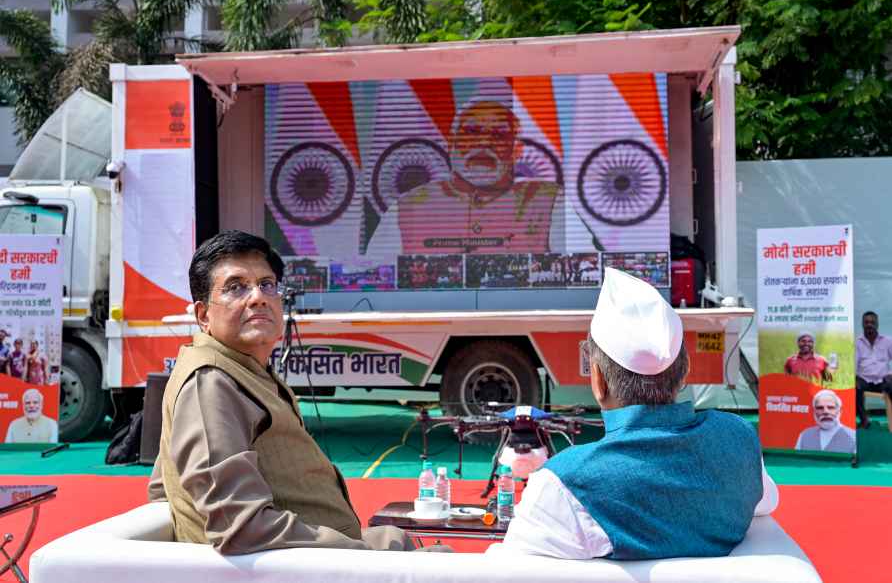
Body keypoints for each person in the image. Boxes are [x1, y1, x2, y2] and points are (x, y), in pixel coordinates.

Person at [149, 230, 432, 555]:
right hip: (305, 567)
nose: (258, 297)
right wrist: (359, 550)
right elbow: (241, 527)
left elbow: (163, 484)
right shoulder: (210, 383)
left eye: (267, 284)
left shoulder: (244, 370)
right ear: (203, 316)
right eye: (235, 287)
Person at [487, 268, 778, 560]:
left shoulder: (561, 484)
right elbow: (766, 502)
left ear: (598, 380)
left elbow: (508, 571)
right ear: (684, 373)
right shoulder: (738, 440)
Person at [367, 100, 561, 256]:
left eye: (500, 135)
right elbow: (377, 281)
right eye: (472, 132)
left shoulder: (549, 201)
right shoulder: (406, 209)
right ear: (451, 143)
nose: (485, 142)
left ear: (516, 151)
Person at [855, 311, 892, 429]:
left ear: (877, 324)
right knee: (854, 386)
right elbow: (854, 363)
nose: (869, 324)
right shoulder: (857, 343)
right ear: (862, 324)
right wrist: (854, 377)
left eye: (872, 322)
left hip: (883, 380)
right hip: (864, 380)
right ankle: (864, 419)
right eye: (866, 322)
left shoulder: (888, 341)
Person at [794, 389, 856, 454]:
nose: (825, 412)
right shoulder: (805, 435)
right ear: (814, 412)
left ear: (840, 411)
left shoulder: (853, 437)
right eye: (820, 408)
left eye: (830, 407)